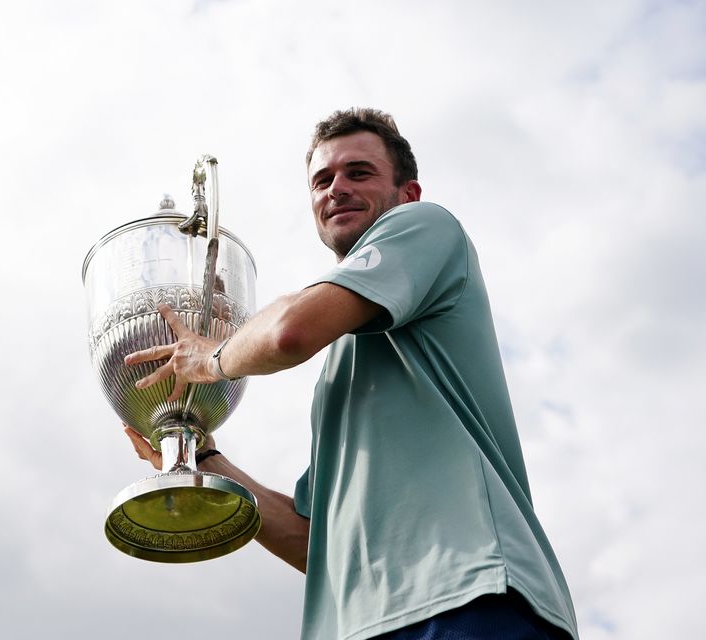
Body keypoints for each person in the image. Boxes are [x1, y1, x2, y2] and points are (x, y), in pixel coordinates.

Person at [123, 108, 579, 640]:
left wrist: (212, 356)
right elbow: (315, 546)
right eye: (323, 180)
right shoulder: (340, 373)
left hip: (468, 597)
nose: (337, 188)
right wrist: (202, 457)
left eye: (359, 173)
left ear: (407, 192)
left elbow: (289, 332)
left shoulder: (426, 224)